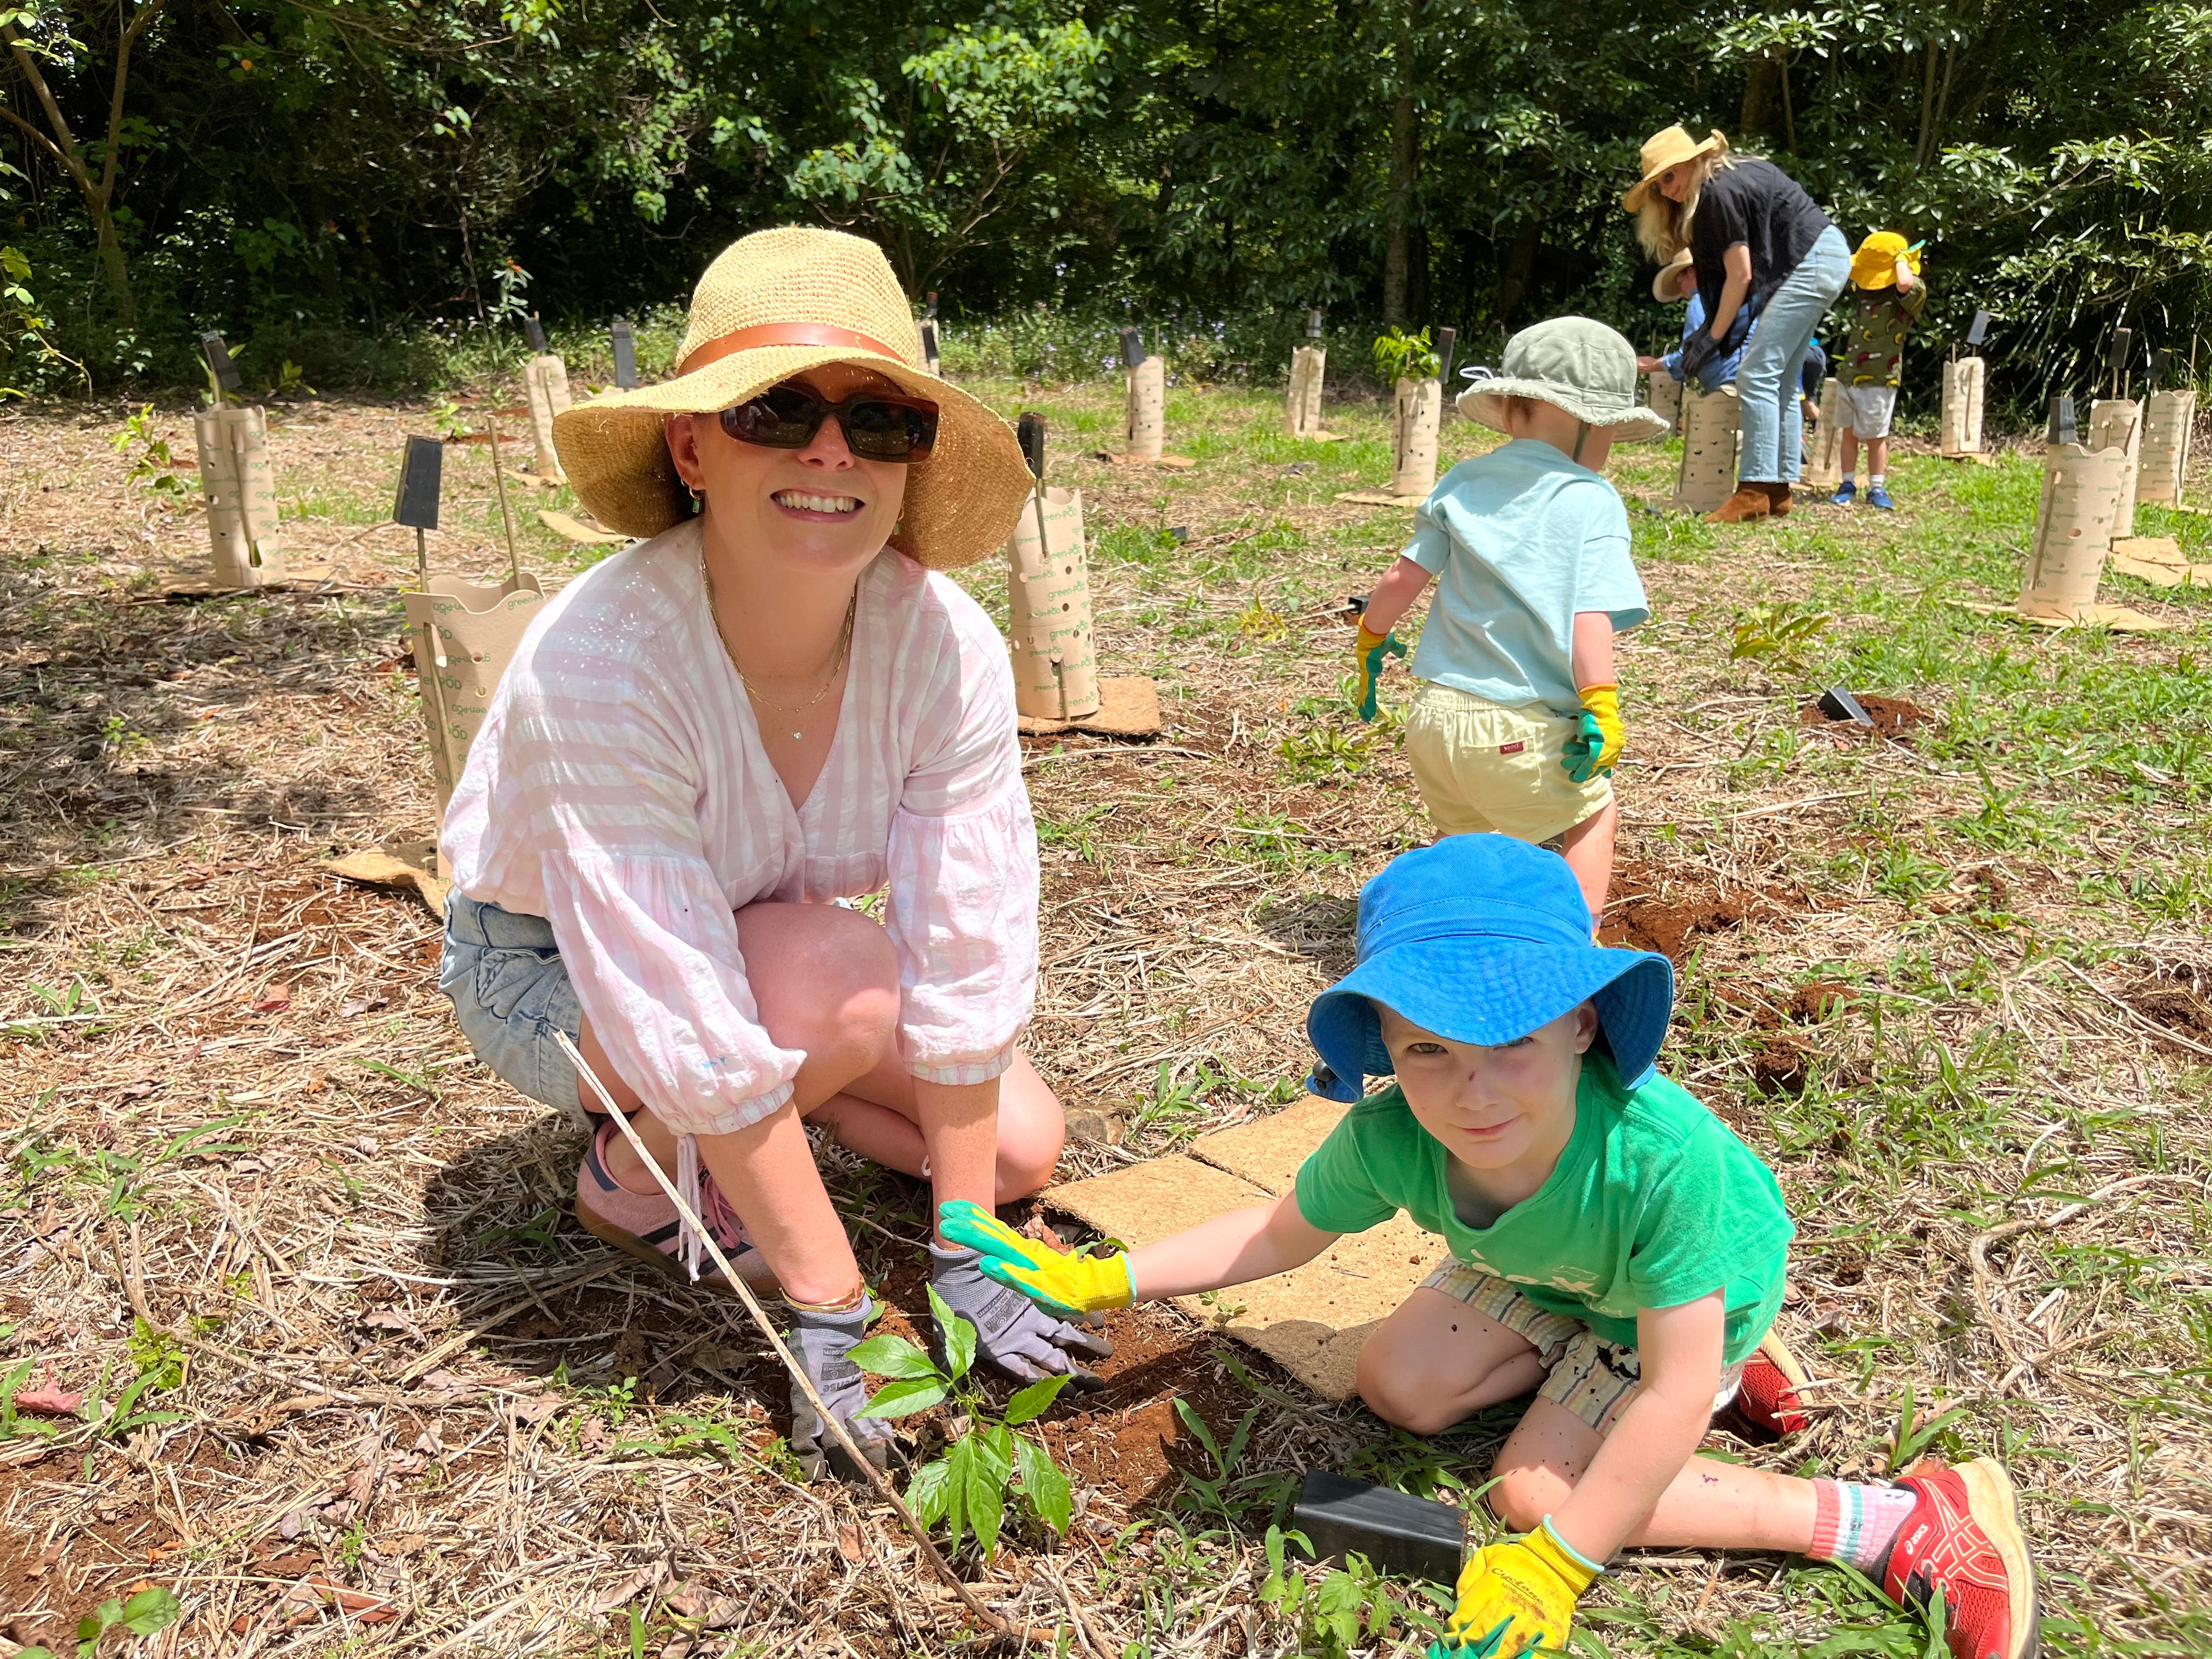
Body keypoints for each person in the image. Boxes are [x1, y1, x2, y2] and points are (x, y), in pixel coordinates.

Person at [943, 835, 2043, 1659]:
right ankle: (1694, 1353)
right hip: (1548, 1274)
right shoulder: (1391, 1138)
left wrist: (1563, 1561)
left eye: (1510, 1038)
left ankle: (1893, 1517)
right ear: (1384, 1047)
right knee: (1398, 1385)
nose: (1471, 1092)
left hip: (1660, 1292)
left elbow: (1660, 1398)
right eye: (1427, 1048)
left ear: (1581, 1023)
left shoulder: (1665, 1162)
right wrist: (1108, 1274)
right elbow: (1279, 1236)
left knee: (1534, 1494)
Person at [436, 227, 1105, 1481]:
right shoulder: (606, 658)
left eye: (878, 421)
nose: (830, 450)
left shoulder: (943, 645)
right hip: (554, 973)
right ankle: (637, 1176)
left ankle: (771, 1122)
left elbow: (969, 933)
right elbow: (676, 990)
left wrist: (968, 1247)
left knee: (1018, 1149)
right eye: (775, 409)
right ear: (691, 446)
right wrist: (836, 1304)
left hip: (766, 940)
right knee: (841, 979)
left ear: (912, 463)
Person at [1349, 319, 1664, 923]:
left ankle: (1454, 930)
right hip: (1515, 729)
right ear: (1586, 424)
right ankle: (1571, 950)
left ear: (1513, 409)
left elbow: (1400, 581)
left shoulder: (1462, 480)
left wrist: (1369, 643)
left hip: (1434, 724)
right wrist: (1602, 704)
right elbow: (1588, 616)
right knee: (1591, 816)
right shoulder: (1591, 499)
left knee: (1465, 842)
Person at [1626, 125, 1852, 523]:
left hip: (1811, 261)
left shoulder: (1716, 192)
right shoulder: (1725, 179)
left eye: (1669, 176)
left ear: (1691, 162)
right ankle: (1778, 492)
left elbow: (1741, 275)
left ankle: (1752, 492)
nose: (1666, 190)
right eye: (1658, 185)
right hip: (1826, 256)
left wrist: (1712, 336)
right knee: (1781, 377)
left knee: (1757, 375)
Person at [1831, 232, 1928, 510]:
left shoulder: (1909, 295)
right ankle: (1847, 482)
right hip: (1851, 373)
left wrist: (1900, 260)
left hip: (1880, 378)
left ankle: (1876, 487)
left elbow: (1906, 283)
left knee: (1876, 437)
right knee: (1848, 433)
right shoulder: (1864, 294)